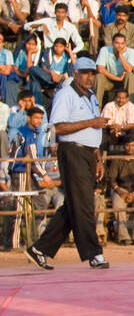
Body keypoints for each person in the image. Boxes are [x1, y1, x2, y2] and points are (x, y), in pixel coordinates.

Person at [24, 57, 111, 271]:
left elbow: (93, 130)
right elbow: (58, 128)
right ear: (75, 72)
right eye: (85, 73)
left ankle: (40, 249)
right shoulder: (65, 95)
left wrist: (98, 157)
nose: (89, 77)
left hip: (88, 153)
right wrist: (92, 123)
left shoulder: (90, 96)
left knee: (74, 204)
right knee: (83, 204)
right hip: (72, 151)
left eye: (92, 73)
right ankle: (94, 253)